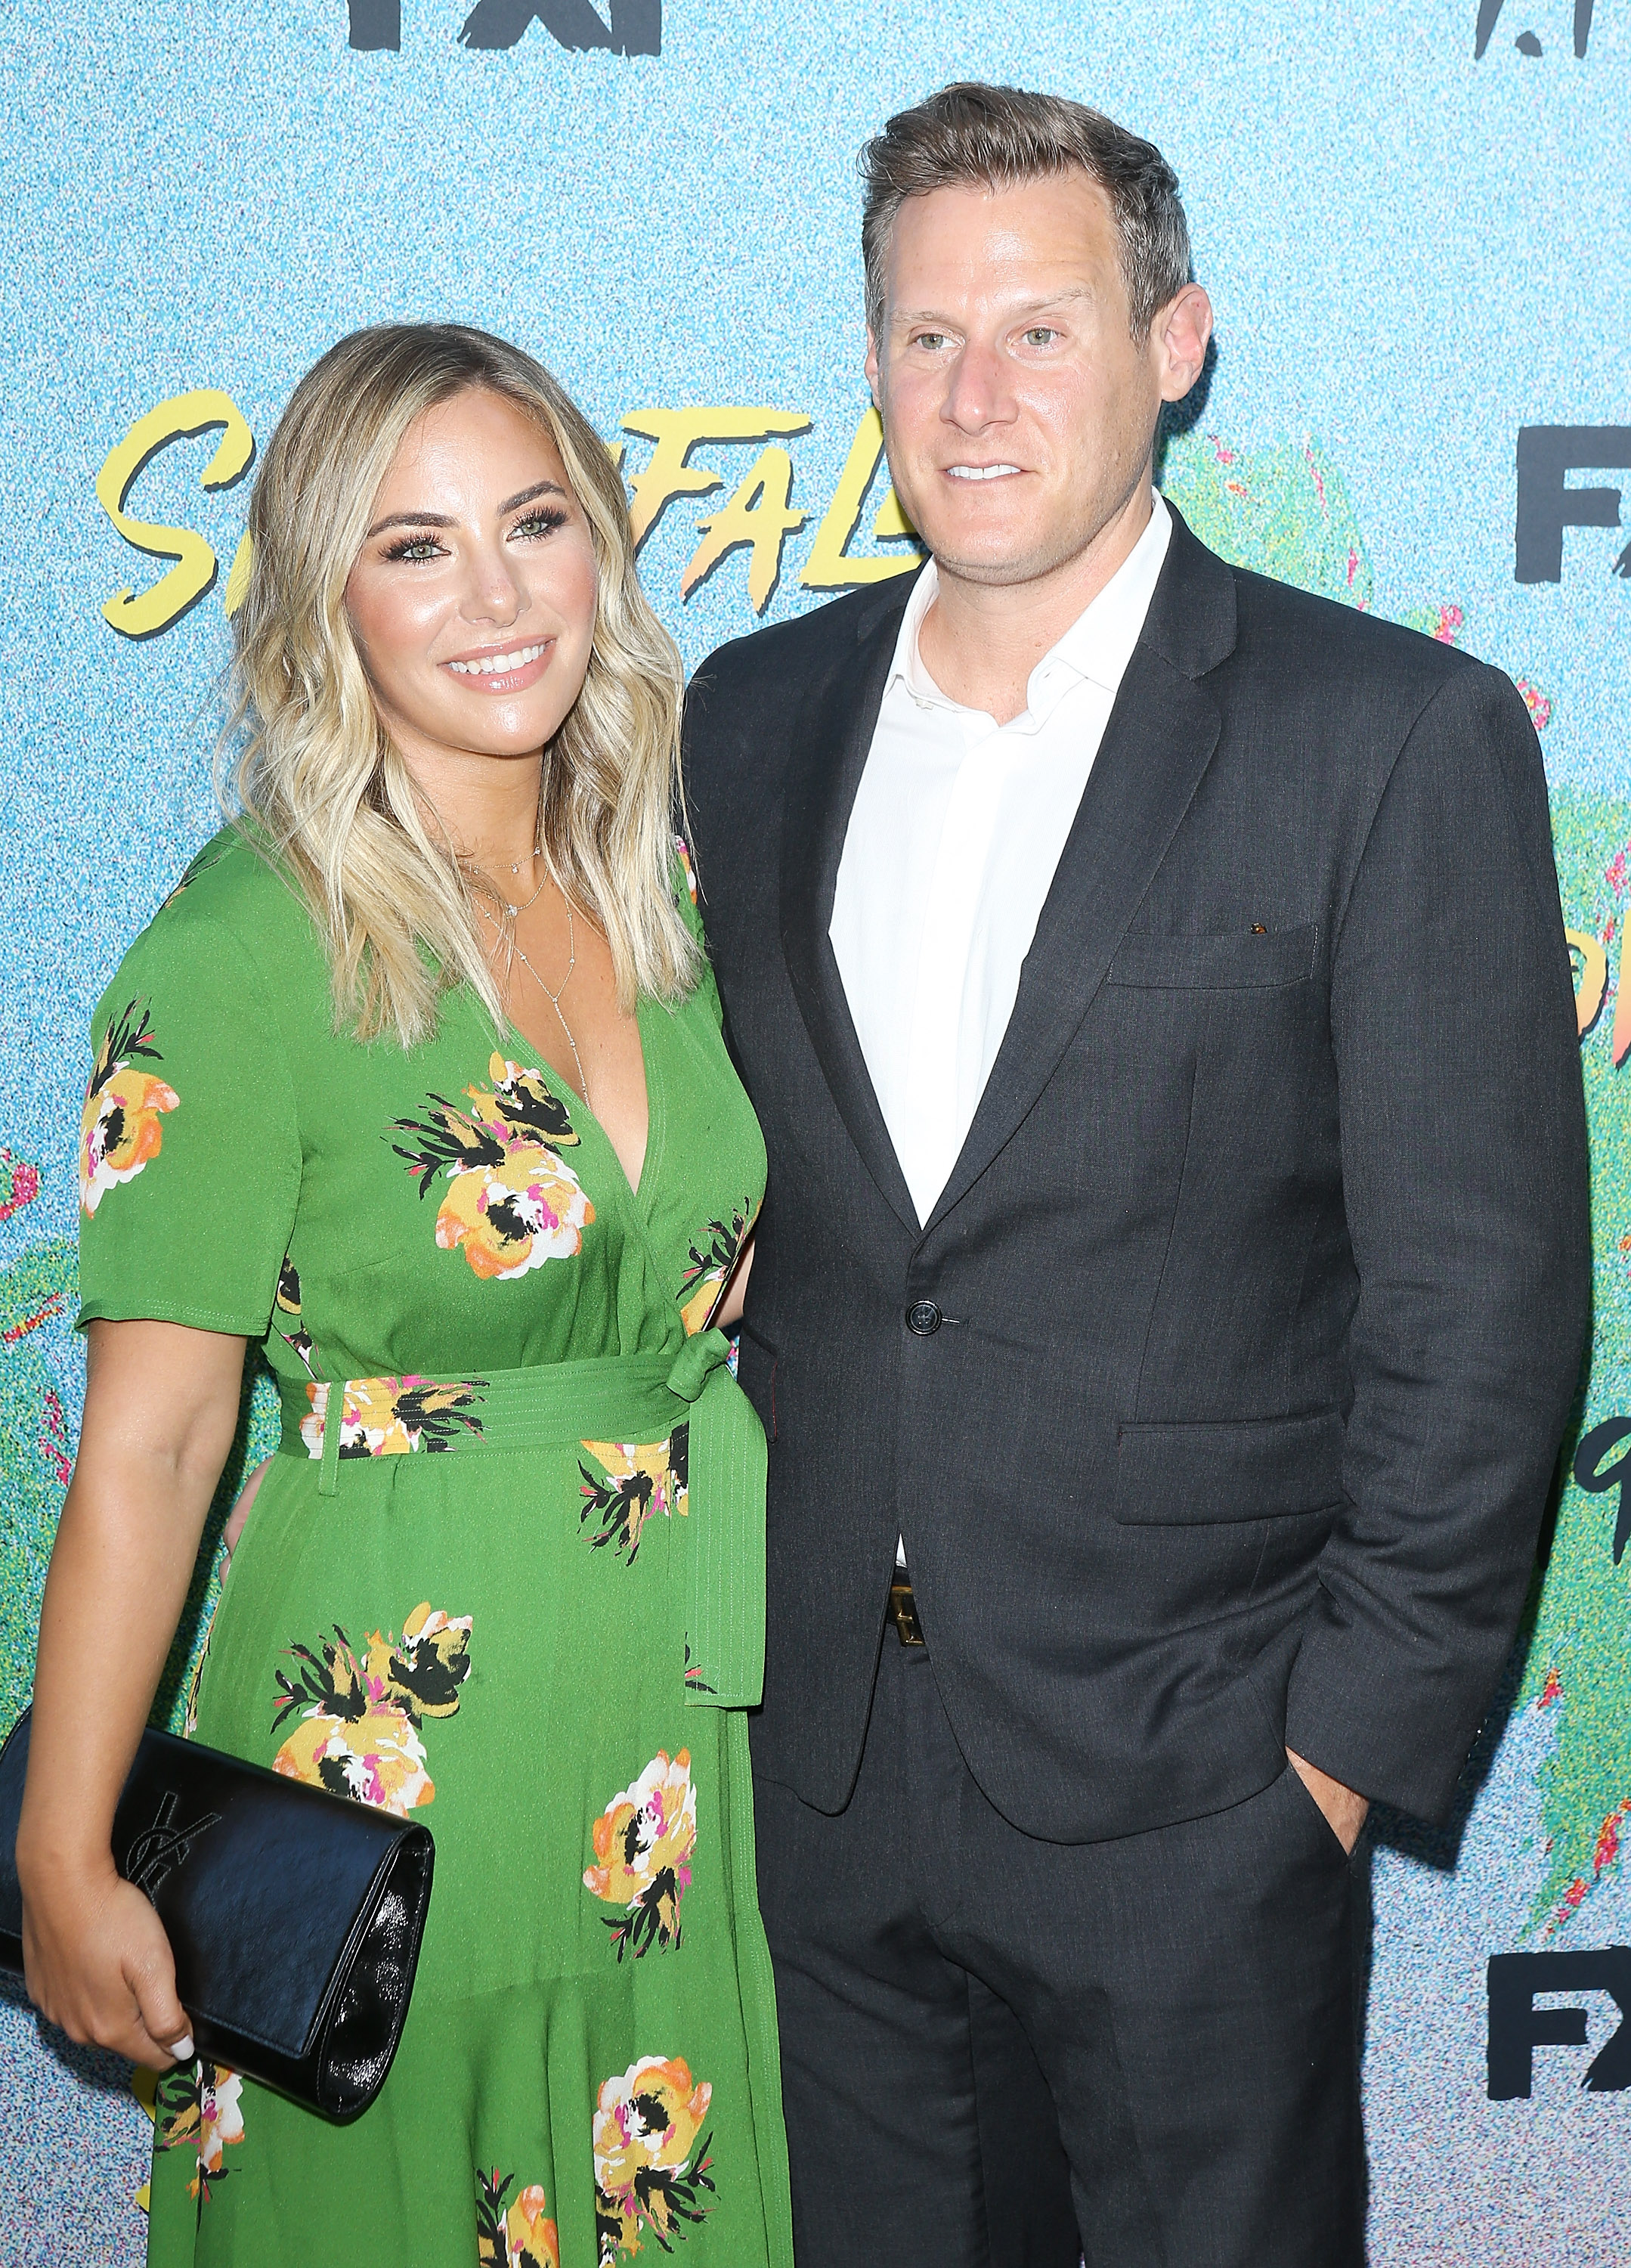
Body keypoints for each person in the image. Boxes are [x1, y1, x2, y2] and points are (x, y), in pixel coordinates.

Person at [680, 82, 1590, 2268]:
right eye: (921, 338)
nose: (971, 399)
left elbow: (1476, 1307)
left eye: (1039, 330)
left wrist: (1327, 1770)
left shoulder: (1382, 736)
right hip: (816, 1785)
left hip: (1199, 1794)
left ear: (1172, 341)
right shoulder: (749, 714)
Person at [17, 323, 791, 2268]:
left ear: (603, 548)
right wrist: (61, 1841)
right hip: (386, 1747)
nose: (496, 592)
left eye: (533, 522)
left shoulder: (667, 896)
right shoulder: (238, 946)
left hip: (674, 1748)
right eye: (414, 546)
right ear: (321, 605)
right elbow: (162, 1439)